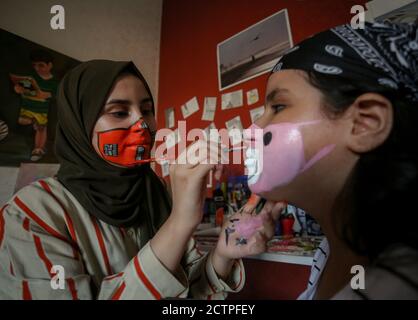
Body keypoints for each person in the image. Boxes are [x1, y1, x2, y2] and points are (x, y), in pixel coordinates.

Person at [0, 60, 282, 299]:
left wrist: (223, 253)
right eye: (120, 112)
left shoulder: (153, 190)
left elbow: (185, 294)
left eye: (146, 110)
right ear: (80, 125)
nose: (142, 125)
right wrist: (179, 221)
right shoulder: (32, 212)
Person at [242, 21, 418, 299]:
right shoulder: (329, 251)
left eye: (277, 107)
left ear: (365, 123)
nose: (250, 131)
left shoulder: (398, 286)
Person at [12, 49, 58, 161]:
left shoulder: (54, 82)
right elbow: (24, 87)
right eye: (35, 65)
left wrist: (46, 94)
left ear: (49, 65)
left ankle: (38, 149)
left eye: (41, 65)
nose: (37, 68)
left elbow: (54, 94)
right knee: (23, 121)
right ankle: (34, 122)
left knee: (41, 128)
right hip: (27, 108)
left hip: (41, 110)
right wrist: (18, 88)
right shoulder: (32, 77)